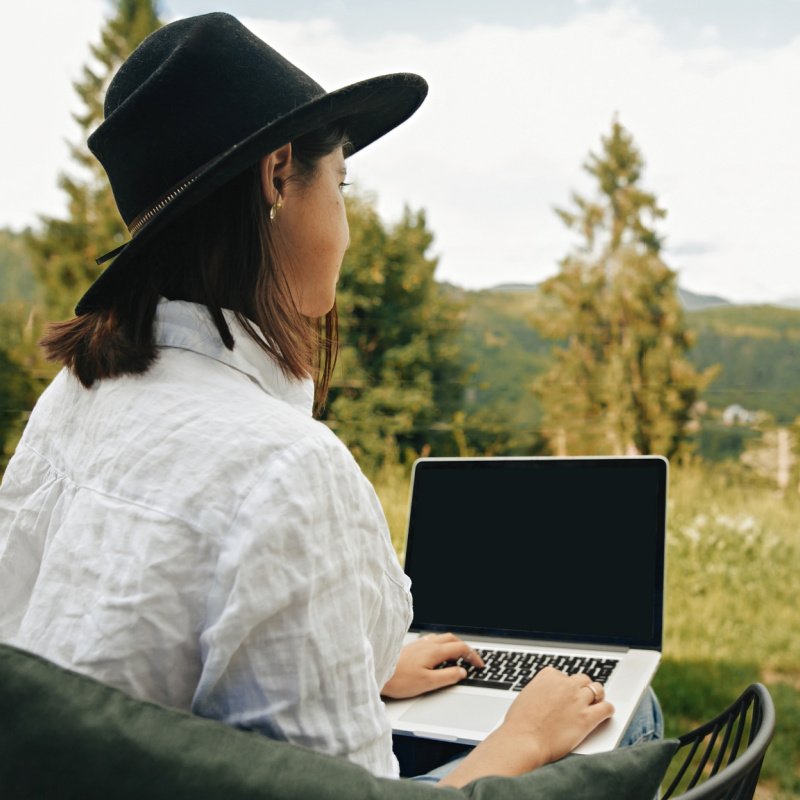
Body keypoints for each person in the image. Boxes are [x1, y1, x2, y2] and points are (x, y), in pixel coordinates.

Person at [0, 12, 659, 787]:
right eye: (340, 182)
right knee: (630, 717)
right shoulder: (285, 469)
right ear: (279, 176)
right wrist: (522, 737)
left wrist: (365, 663)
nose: (345, 225)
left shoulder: (73, 400)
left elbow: (127, 669)